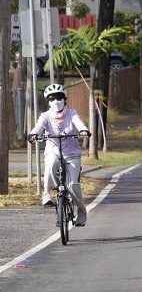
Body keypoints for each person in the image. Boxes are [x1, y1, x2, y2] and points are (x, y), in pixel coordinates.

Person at [28, 84, 89, 227]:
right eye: (52, 99)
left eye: (59, 98)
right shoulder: (45, 116)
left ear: (65, 99)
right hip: (53, 151)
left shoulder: (71, 113)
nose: (56, 101)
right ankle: (46, 194)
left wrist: (83, 130)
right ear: (48, 101)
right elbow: (37, 128)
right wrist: (33, 134)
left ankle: (81, 211)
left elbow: (79, 123)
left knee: (72, 185)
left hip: (72, 154)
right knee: (50, 164)